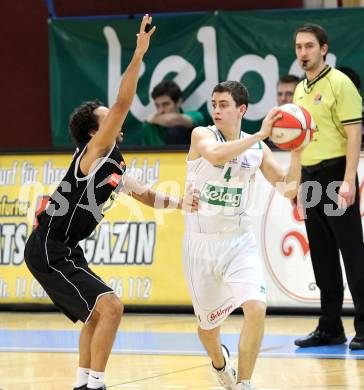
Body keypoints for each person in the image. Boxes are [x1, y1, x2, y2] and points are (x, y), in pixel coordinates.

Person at [24, 15, 196, 390]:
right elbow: (122, 100)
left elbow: (148, 196)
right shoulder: (92, 153)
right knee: (112, 307)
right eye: (106, 119)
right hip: (49, 248)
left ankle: (84, 383)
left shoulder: (115, 163)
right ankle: (97, 384)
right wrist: (138, 54)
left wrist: (184, 203)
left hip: (64, 248)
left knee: (96, 316)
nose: (116, 119)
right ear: (93, 132)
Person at [183, 80, 305, 390]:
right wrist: (262, 135)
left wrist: (296, 153)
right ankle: (219, 363)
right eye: (214, 104)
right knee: (207, 329)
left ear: (242, 109)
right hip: (202, 244)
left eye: (223, 105)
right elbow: (216, 157)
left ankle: (245, 384)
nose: (217, 110)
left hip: (239, 241)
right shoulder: (203, 135)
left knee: (256, 308)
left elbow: (288, 188)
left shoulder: (257, 148)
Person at [293, 23, 364, 350]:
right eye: (298, 47)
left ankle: (363, 327)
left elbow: (354, 134)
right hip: (309, 175)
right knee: (321, 256)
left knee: (353, 254)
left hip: (337, 174)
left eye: (309, 46)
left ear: (324, 48)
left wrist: (349, 180)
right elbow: (297, 141)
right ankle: (329, 326)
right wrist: (294, 183)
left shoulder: (341, 83)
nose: (303, 53)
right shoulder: (299, 90)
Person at [141, 80, 205, 145]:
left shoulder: (196, 116)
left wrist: (153, 119)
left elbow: (171, 120)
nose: (161, 110)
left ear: (178, 102)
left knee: (175, 130)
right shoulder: (149, 126)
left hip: (189, 154)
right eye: (157, 105)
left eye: (165, 104)